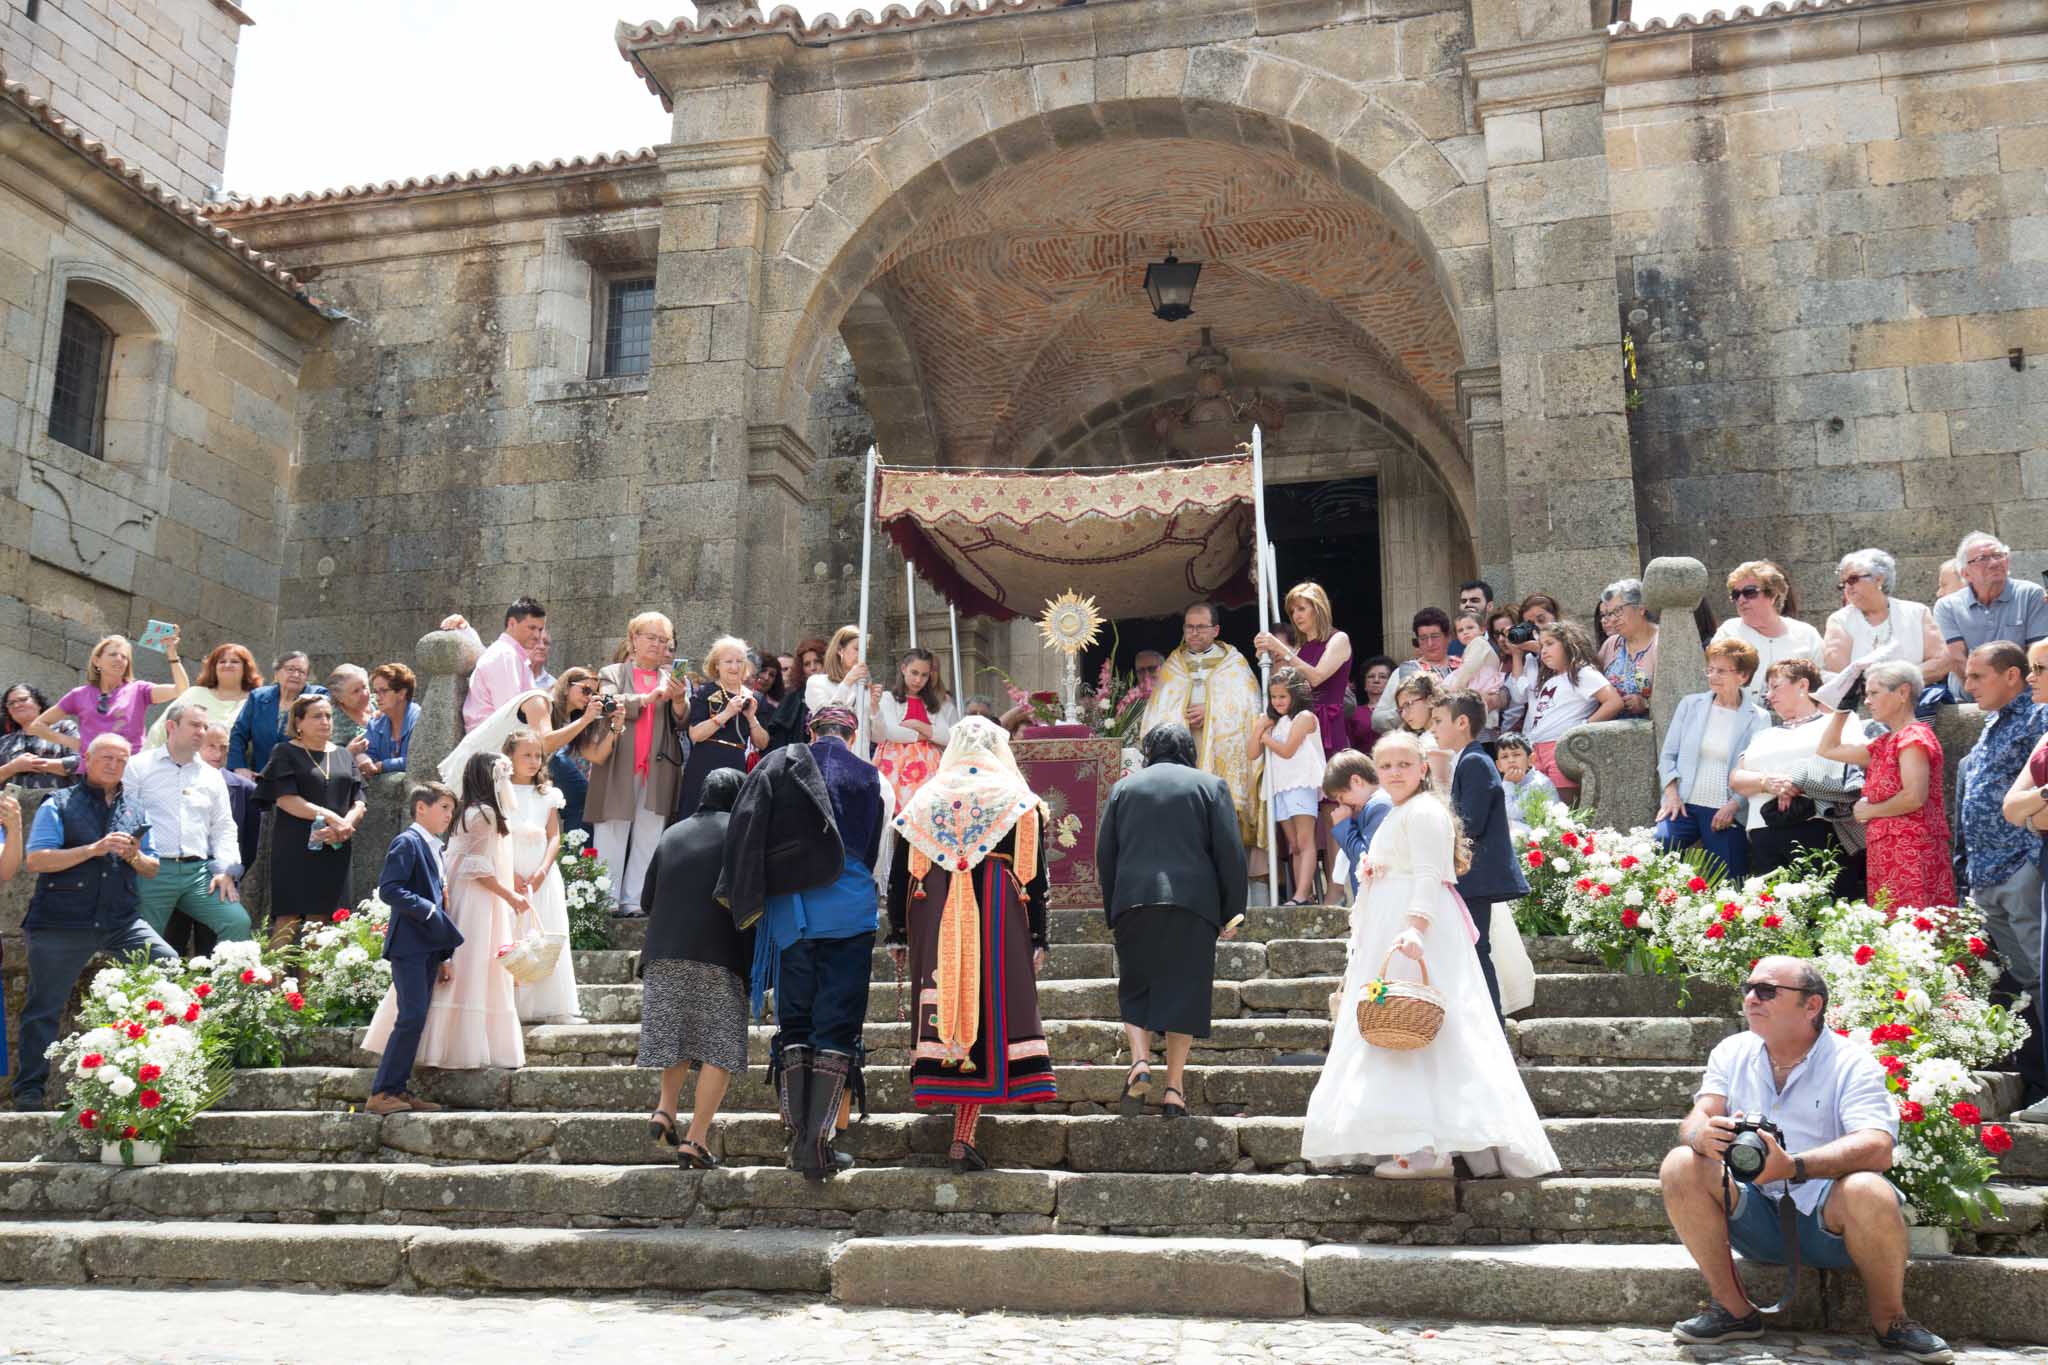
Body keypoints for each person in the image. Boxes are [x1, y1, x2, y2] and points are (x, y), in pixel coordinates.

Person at [1659, 956, 1952, 1362]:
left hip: (1827, 1222)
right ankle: (1734, 1310)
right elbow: (1701, 1113)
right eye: (1748, 988)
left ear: (1811, 1005)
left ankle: (1892, 1321)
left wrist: (1793, 1166)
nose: (1751, 998)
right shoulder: (1732, 1050)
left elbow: (1878, 1146)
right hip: (1755, 1213)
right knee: (1680, 1162)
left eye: (1767, 991)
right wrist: (1700, 1134)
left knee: (1868, 1188)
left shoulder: (1851, 1061)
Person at [1301, 731, 1559, 1179]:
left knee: (1418, 1028)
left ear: (1422, 768)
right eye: (1386, 766)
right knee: (1401, 1033)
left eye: (1404, 764)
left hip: (1411, 931)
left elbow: (1428, 875)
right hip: (1390, 928)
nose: (1395, 773)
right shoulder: (1401, 811)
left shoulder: (1423, 811)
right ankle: (1418, 1140)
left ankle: (1426, 1149)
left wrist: (1414, 929)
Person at [725, 705, 893, 1181]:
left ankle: (797, 1137)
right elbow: (874, 846)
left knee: (795, 1019)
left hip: (789, 911)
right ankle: (817, 1143)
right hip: (848, 907)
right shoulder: (870, 777)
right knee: (837, 1021)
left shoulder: (781, 763)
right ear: (852, 734)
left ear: (810, 731)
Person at [888, 716, 1052, 1172]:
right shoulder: (1015, 799)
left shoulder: (926, 799)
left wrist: (897, 933)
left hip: (936, 908)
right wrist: (1040, 934)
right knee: (991, 1003)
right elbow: (1034, 875)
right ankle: (963, 1134)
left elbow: (902, 873)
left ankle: (962, 1125)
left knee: (949, 998)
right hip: (998, 908)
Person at [11, 734, 172, 1111]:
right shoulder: (60, 803)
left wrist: (133, 855)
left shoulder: (136, 807)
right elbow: (37, 861)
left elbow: (152, 867)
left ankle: (156, 1072)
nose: (114, 765)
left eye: (121, 759)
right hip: (61, 921)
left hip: (120, 919)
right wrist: (93, 849)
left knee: (167, 965)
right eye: (106, 758)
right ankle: (29, 1092)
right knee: (43, 1008)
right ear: (86, 759)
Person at [1097, 721, 1247, 1121]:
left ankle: (1141, 1061)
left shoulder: (1123, 789)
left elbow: (1105, 854)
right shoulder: (1210, 785)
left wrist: (1113, 904)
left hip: (1134, 900)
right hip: (1193, 903)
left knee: (1136, 987)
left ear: (1147, 750)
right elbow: (1229, 852)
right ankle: (1175, 1090)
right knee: (1186, 992)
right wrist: (1233, 910)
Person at [363, 754, 527, 1072]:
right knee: (473, 964)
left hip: (458, 894)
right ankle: (456, 1049)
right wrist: (509, 896)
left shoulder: (466, 813)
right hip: (477, 896)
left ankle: (434, 1048)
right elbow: (475, 865)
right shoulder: (485, 813)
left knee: (455, 965)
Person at [639, 766, 751, 1170]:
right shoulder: (739, 835)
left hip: (663, 954)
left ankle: (665, 1108)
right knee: (719, 1048)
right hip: (719, 954)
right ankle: (696, 1138)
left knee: (679, 1039)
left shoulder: (672, 833)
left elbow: (647, 899)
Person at [1953, 642, 2048, 1107]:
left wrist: (2031, 856)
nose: (1967, 687)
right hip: (1987, 872)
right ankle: (2039, 1081)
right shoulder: (1993, 722)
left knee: (2041, 978)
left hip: (2021, 868)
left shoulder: (2037, 717)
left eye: (1977, 677)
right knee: (2025, 983)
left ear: (2012, 676)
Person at [1817, 659, 1956, 912]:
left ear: (1902, 692)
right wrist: (1843, 708)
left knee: (1917, 928)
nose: (1867, 701)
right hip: (1887, 849)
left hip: (1913, 850)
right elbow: (1828, 749)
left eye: (1873, 693)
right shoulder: (1884, 743)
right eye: (1864, 695)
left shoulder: (1914, 736)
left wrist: (1870, 811)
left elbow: (1914, 796)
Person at [361, 782, 464, 1116]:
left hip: (428, 946)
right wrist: (427, 909)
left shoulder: (433, 846)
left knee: (416, 1017)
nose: (449, 815)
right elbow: (389, 889)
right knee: (411, 1016)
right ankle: (383, 1093)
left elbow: (443, 896)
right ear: (421, 807)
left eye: (451, 809)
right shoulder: (408, 841)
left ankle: (397, 1090)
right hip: (409, 944)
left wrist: (445, 954)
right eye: (444, 807)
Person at [1428, 689, 1528, 1022]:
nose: (1434, 728)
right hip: (1473, 876)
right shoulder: (1470, 760)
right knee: (1474, 948)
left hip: (1477, 875)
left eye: (1439, 721)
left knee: (1477, 949)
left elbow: (1469, 822)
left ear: (1462, 722)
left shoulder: (1474, 761)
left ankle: (1492, 1025)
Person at [1139, 601, 1267, 854]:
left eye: (1200, 627)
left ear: (1216, 630)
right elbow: (1159, 710)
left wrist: (1211, 712)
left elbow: (1248, 707)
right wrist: (1183, 717)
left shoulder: (1234, 663)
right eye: (1189, 627)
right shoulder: (1174, 665)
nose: (1194, 633)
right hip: (1187, 744)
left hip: (1220, 748)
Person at [1729, 660, 1867, 890]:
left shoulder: (1837, 722)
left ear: (1803, 685)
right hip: (1765, 833)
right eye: (1767, 689)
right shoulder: (1764, 735)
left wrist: (1796, 781)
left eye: (1776, 687)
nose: (1768, 695)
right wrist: (1767, 783)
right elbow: (1736, 778)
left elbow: (1851, 765)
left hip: (1818, 829)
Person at [587, 612, 690, 917]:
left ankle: (635, 903)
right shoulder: (613, 672)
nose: (658, 645)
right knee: (612, 832)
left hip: (658, 766)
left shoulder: (670, 676)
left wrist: (680, 699)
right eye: (651, 637)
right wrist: (647, 698)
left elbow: (682, 721)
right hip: (619, 763)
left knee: (649, 834)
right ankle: (604, 903)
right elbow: (607, 704)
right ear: (633, 639)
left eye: (664, 640)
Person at [127, 701, 250, 945]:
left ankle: (224, 985)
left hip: (199, 873)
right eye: (194, 725)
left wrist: (226, 869)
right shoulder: (138, 766)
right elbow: (125, 819)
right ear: (171, 726)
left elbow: (224, 826)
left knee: (237, 922)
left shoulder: (212, 775)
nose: (202, 732)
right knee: (144, 946)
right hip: (152, 870)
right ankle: (145, 984)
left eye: (204, 726)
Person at [1655, 640, 1771, 881]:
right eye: (1710, 669)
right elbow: (1667, 756)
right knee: (1655, 848)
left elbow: (1758, 769)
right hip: (1684, 804)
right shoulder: (1690, 704)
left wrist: (1734, 805)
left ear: (1743, 675)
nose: (1713, 676)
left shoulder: (1758, 717)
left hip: (1726, 809)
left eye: (1721, 670)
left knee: (1730, 877)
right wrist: (1672, 795)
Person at [257, 694, 367, 946]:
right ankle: (274, 984)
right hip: (295, 847)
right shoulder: (285, 751)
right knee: (289, 915)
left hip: (336, 845)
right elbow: (285, 799)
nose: (325, 721)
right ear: (298, 722)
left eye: (328, 716)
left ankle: (310, 986)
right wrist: (330, 817)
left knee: (321, 918)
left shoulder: (343, 754)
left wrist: (345, 826)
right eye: (317, 716)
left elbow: (360, 800)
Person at [2000, 638, 2048, 1124]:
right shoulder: (2044, 734)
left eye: (2039, 668)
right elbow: (2013, 809)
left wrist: (2035, 806)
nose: (2030, 676)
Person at [504, 727, 580, 1025]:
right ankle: (513, 1003)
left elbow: (553, 836)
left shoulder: (548, 794)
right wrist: (509, 874)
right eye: (527, 755)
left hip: (542, 873)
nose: (534, 761)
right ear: (509, 757)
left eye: (538, 755)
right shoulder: (500, 794)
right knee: (513, 934)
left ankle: (551, 1004)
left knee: (545, 931)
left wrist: (541, 871)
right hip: (509, 872)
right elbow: (495, 836)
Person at [25, 632, 187, 754]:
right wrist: (78, 744)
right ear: (97, 661)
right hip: (91, 772)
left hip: (130, 770)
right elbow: (37, 726)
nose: (119, 659)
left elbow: (181, 689)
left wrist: (172, 654)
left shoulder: (139, 690)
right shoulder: (79, 695)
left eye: (124, 657)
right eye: (113, 654)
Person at [1935, 531, 2048, 699]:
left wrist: (2024, 692)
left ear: (2007, 561)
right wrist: (1983, 692)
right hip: (1969, 691)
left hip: (2022, 689)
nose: (1994, 563)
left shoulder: (2030, 594)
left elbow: (2037, 652)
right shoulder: (1948, 606)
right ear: (1965, 573)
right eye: (1983, 559)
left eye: (1998, 555)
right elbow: (1957, 658)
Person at [1522, 621, 1623, 802]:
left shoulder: (1583, 673)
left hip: (1560, 749)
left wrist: (1583, 727)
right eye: (1541, 646)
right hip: (1538, 750)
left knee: (1562, 808)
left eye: (1550, 644)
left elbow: (1613, 702)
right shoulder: (1550, 679)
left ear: (1569, 643)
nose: (1543, 651)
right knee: (1541, 808)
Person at [1253, 581, 1352, 764]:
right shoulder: (1300, 649)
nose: (1296, 616)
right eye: (1292, 611)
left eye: (1301, 609)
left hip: (1328, 722)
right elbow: (1284, 687)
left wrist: (1282, 649)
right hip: (1301, 724)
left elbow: (1316, 677)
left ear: (1317, 608)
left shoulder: (1338, 639)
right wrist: (1265, 658)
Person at [1251, 667, 1325, 905]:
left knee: (1305, 841)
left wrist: (1266, 738)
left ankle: (1301, 895)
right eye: (1273, 697)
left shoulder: (1304, 718)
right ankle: (1302, 894)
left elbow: (1287, 750)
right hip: (1280, 786)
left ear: (1295, 695)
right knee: (1293, 845)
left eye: (1282, 696)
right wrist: (1258, 729)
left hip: (1301, 782)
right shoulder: (1275, 721)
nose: (1277, 701)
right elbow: (1252, 753)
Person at [677, 637, 771, 822]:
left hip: (735, 764)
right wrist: (726, 714)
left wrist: (751, 717)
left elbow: (763, 742)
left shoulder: (755, 698)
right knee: (695, 819)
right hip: (705, 762)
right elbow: (695, 734)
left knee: (729, 822)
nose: (734, 667)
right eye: (728, 661)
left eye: (739, 661)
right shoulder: (705, 692)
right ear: (717, 665)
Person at [1821, 548, 1947, 682]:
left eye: (1853, 579)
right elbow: (1839, 674)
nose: (1847, 587)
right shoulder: (1839, 621)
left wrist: (1897, 681)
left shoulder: (1917, 613)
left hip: (1913, 698)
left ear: (1879, 579)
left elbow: (1941, 663)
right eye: (1843, 583)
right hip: (1862, 701)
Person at [1712, 561, 1825, 703]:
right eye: (1736, 595)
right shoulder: (1729, 631)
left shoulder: (1806, 634)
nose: (1741, 600)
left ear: (1773, 596)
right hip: (1740, 716)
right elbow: (1716, 677)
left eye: (1750, 592)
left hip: (1794, 719)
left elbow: (1822, 683)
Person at [873, 647, 955, 811]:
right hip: (895, 764)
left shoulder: (932, 704)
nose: (918, 680)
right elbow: (891, 732)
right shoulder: (889, 698)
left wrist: (916, 724)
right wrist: (928, 735)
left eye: (924, 675)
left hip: (929, 769)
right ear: (904, 669)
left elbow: (947, 737)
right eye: (914, 673)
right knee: (891, 811)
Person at [227, 651, 325, 779]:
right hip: (261, 777)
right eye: (290, 669)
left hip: (302, 776)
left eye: (301, 671)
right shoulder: (258, 697)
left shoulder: (317, 695)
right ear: (277, 673)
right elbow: (238, 734)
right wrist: (239, 767)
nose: (296, 675)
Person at [143, 641, 255, 748]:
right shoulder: (194, 694)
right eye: (222, 661)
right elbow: (160, 730)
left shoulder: (255, 701)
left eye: (235, 661)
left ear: (246, 668)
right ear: (214, 668)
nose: (227, 665)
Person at [460, 595, 547, 733]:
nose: (537, 635)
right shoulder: (504, 654)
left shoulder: (510, 654)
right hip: (493, 743)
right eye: (532, 628)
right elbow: (509, 713)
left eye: (540, 629)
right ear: (512, 624)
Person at [547, 668, 615, 837]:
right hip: (516, 764)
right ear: (566, 686)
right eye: (585, 690)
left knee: (584, 798)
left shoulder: (576, 717)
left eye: (594, 694)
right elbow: (545, 743)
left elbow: (597, 756)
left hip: (543, 765)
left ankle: (575, 857)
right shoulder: (545, 703)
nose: (589, 697)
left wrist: (616, 727)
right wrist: (586, 719)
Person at [1370, 608, 1458, 734]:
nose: (1430, 643)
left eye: (1435, 636)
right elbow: (1377, 720)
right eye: (1423, 638)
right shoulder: (1403, 671)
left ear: (1448, 637)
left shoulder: (1464, 666)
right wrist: (1408, 710)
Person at [1322, 749, 1393, 901]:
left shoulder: (1379, 806)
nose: (1341, 804)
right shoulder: (1369, 807)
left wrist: (1343, 826)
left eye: (1341, 797)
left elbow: (1365, 858)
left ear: (1356, 781)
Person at [200, 722, 261, 894]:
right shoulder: (179, 782)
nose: (218, 754)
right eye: (211, 746)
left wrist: (233, 873)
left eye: (224, 747)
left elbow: (251, 843)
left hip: (224, 878)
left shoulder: (246, 789)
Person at [1597, 578, 1659, 717]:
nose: (1612, 619)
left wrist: (1646, 703)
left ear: (1641, 608)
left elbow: (1677, 691)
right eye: (1609, 613)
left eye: (1618, 611)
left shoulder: (1662, 643)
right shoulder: (1611, 644)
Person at [0, 683, 77, 791]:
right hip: (13, 805)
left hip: (56, 803)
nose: (16, 705)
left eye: (23, 699)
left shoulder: (63, 728)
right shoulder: (4, 742)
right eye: (11, 703)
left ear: (39, 704)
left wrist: (36, 764)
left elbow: (81, 762)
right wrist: (13, 767)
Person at [804, 624, 878, 721]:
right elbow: (827, 720)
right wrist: (847, 682)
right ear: (840, 650)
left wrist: (875, 709)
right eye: (857, 649)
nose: (862, 655)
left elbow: (879, 734)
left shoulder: (863, 687)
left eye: (865, 651)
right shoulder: (817, 682)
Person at [360, 663, 420, 778]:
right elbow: (368, 754)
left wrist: (383, 765)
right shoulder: (375, 724)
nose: (377, 697)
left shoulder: (420, 720)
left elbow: (417, 760)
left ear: (402, 693)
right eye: (376, 692)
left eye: (384, 691)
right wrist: (364, 759)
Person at [1494, 734, 1555, 838]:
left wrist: (1507, 784)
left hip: (1541, 837)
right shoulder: (1504, 783)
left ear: (1531, 759)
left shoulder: (1538, 783)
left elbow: (1510, 814)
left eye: (1516, 755)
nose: (1511, 760)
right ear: (1499, 766)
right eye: (1505, 757)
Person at [1346, 655, 1394, 751]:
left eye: (1383, 677)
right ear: (1365, 684)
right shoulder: (1354, 713)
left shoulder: (1399, 710)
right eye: (1371, 676)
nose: (1376, 680)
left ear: (1392, 682)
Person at [327, 664, 375, 752]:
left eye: (364, 687)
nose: (364, 694)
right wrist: (348, 751)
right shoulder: (332, 720)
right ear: (339, 697)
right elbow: (332, 758)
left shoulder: (380, 702)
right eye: (356, 691)